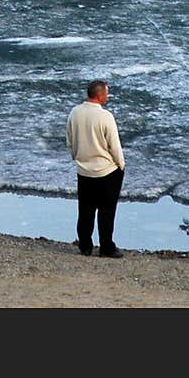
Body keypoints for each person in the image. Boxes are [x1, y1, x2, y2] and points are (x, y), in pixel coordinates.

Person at [66, 78, 126, 257]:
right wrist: (121, 164)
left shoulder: (75, 113)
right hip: (106, 170)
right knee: (106, 210)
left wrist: (76, 157)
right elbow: (114, 145)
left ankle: (85, 245)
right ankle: (106, 246)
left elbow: (70, 140)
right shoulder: (105, 116)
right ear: (100, 95)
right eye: (106, 93)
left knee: (85, 209)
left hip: (84, 170)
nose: (107, 96)